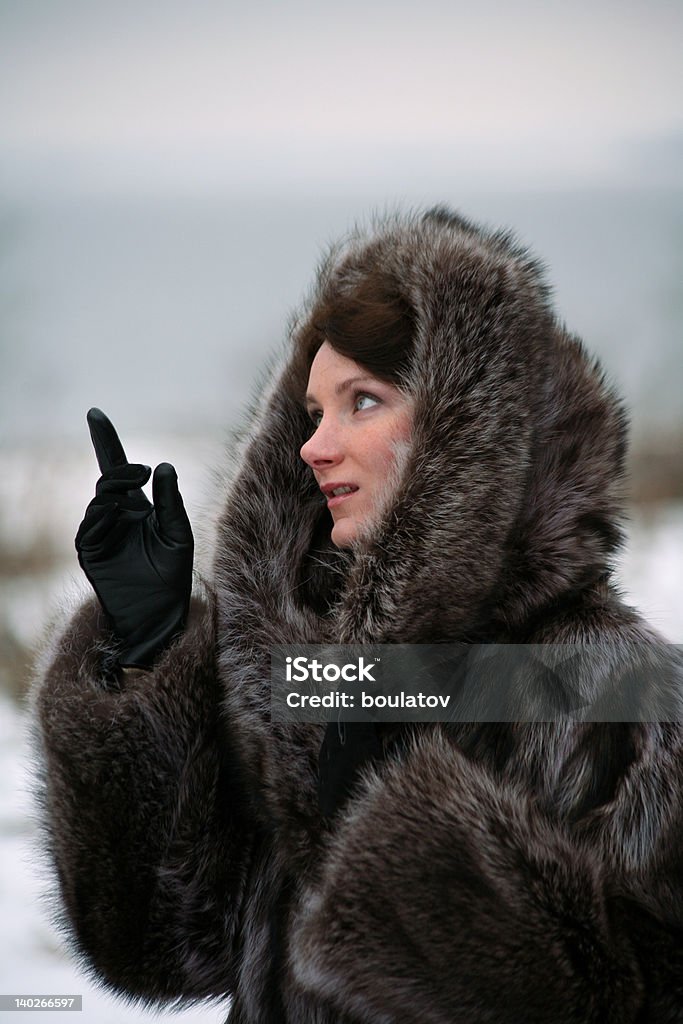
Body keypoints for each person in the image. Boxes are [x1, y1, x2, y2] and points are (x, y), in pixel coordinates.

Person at [33, 207, 683, 1023]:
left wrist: (390, 822)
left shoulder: (620, 693)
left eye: (362, 402)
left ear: (468, 435)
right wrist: (149, 651)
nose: (315, 445)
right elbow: (167, 946)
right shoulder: (300, 670)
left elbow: (641, 993)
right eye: (311, 413)